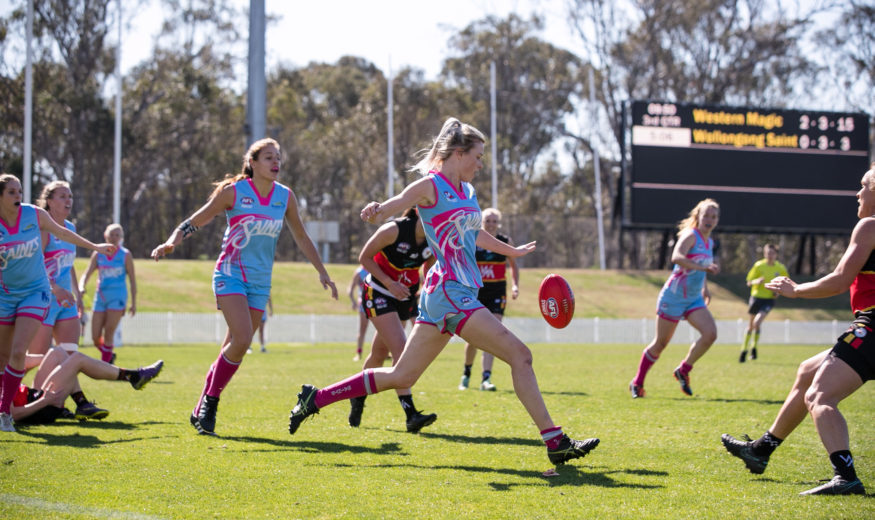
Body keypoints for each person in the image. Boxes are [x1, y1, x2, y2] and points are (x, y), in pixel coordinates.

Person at [288, 118, 599, 466]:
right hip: (450, 293)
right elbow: (397, 203)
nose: (481, 164)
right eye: (478, 156)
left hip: (450, 293)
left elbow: (473, 233)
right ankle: (555, 441)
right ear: (459, 153)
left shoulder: (468, 191)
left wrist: (511, 251)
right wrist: (377, 210)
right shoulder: (430, 186)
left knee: (402, 375)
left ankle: (315, 398)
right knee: (520, 355)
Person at [150, 138, 338, 436]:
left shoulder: (285, 196)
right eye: (268, 157)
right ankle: (211, 404)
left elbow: (301, 237)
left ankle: (200, 408)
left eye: (278, 157)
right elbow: (196, 220)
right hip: (230, 273)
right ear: (253, 162)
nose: (276, 163)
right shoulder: (234, 192)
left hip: (261, 281)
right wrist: (172, 242)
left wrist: (322, 271)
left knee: (234, 346)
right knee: (242, 338)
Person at [721, 164, 875, 496]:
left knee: (820, 396)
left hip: (872, 328)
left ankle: (845, 475)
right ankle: (761, 450)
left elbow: (840, 280)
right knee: (807, 370)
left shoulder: (869, 226)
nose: (858, 193)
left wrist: (796, 290)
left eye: (864, 186)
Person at [0, 173, 116, 433]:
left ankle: (5, 414)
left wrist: (95, 247)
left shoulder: (33, 215)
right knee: (4, 357)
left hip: (35, 292)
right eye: (11, 192)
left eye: (20, 191)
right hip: (5, 295)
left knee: (18, 352)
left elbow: (63, 233)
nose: (18, 196)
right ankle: (18, 402)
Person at [348, 207, 436, 432]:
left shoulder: (434, 236)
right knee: (400, 349)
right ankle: (411, 414)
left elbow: (429, 264)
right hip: (378, 291)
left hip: (404, 296)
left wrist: (426, 286)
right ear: (419, 210)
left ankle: (357, 395)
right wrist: (389, 283)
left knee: (378, 354)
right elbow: (364, 258)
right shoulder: (393, 230)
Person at [629, 198, 720, 398]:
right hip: (674, 297)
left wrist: (705, 288)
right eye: (706, 215)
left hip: (694, 299)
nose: (710, 220)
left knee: (710, 334)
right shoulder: (691, 235)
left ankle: (684, 370)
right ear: (698, 216)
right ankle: (637, 383)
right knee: (660, 344)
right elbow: (677, 257)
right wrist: (704, 268)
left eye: (714, 217)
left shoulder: (709, 242)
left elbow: (702, 267)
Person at [12, 346, 163, 424]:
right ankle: (133, 376)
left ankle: (82, 403)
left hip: (33, 396)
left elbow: (23, 361)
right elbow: (13, 415)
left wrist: (63, 364)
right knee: (77, 359)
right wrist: (45, 401)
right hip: (40, 408)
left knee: (58, 353)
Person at [458, 207, 519, 392]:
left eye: (494, 221)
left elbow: (514, 265)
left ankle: (486, 378)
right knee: (473, 338)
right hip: (476, 293)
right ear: (481, 222)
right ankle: (466, 373)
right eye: (487, 221)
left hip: (497, 293)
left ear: (498, 223)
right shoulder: (472, 239)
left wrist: (515, 285)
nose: (491, 224)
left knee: (493, 334)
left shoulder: (505, 241)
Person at [28, 181, 86, 357]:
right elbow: (33, 267)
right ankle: (7, 375)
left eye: (70, 196)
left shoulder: (71, 228)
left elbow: (68, 264)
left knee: (69, 357)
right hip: (43, 300)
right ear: (50, 202)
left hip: (67, 301)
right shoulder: (43, 229)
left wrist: (78, 295)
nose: (68, 200)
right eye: (62, 196)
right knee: (37, 358)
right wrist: (55, 289)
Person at [79, 223, 136, 364]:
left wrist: (133, 303)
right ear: (106, 235)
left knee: (109, 333)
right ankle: (108, 354)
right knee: (95, 337)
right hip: (101, 297)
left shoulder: (125, 255)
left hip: (118, 297)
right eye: (112, 234)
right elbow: (87, 273)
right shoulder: (98, 254)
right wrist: (81, 286)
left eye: (117, 235)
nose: (114, 237)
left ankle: (105, 366)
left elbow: (132, 280)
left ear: (121, 237)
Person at [739, 243, 788, 362]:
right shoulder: (759, 265)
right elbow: (749, 282)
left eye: (772, 253)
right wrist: (756, 281)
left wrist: (778, 292)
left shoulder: (780, 268)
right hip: (756, 297)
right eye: (767, 253)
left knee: (757, 322)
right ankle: (744, 350)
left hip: (769, 299)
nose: (770, 255)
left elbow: (786, 284)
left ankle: (754, 348)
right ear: (764, 254)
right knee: (751, 326)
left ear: (776, 254)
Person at [347, 265, 370, 361]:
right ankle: (359, 353)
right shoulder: (359, 272)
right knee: (362, 330)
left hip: (377, 302)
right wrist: (353, 301)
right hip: (364, 304)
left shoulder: (376, 267)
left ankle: (384, 352)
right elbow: (351, 289)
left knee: (383, 330)